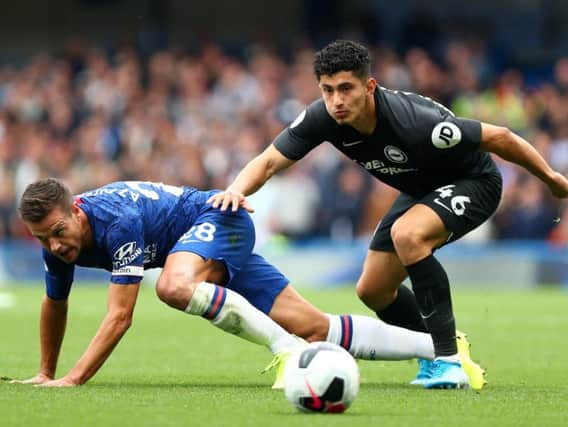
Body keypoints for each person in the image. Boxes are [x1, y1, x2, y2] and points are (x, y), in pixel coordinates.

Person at [208, 40, 568, 389]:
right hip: (420, 190)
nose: (336, 100)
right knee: (374, 290)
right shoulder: (324, 117)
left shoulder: (416, 123)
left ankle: (449, 360)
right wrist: (237, 189)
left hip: (473, 181)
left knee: (408, 235)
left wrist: (550, 179)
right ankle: (434, 346)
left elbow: (501, 137)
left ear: (370, 86)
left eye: (346, 88)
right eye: (327, 90)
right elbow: (269, 160)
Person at [12, 178, 479, 388]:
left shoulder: (117, 221)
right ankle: (443, 348)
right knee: (314, 326)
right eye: (42, 239)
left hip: (221, 221)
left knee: (173, 287)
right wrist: (46, 371)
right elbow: (55, 304)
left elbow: (120, 316)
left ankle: (286, 353)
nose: (54, 246)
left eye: (58, 232)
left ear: (76, 211)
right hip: (199, 244)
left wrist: (73, 380)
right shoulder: (57, 243)